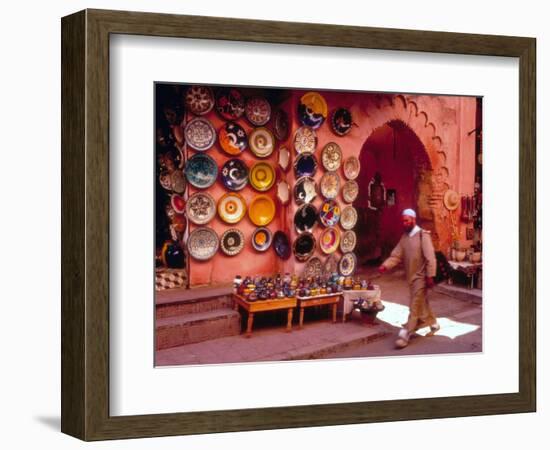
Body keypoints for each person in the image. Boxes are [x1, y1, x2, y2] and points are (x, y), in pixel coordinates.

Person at [378, 208, 440, 348]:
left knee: (414, 305)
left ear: (413, 220)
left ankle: (405, 334)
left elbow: (431, 258)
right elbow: (396, 255)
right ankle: (434, 324)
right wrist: (385, 266)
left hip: (422, 277)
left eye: (407, 220)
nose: (404, 223)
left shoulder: (422, 236)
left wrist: (430, 276)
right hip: (411, 278)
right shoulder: (404, 238)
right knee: (421, 303)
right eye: (403, 221)